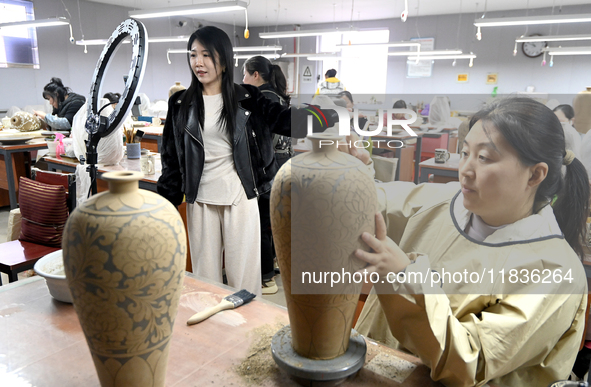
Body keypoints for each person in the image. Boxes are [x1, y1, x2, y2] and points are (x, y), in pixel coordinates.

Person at [348, 97, 589, 386]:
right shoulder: (444, 202)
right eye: (464, 153)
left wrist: (405, 277)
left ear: (535, 174)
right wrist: (354, 174)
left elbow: (468, 363)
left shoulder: (555, 272)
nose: (466, 169)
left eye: (484, 158)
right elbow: (379, 204)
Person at [157, 26, 337, 298]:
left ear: (224, 58)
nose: (199, 62)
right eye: (193, 55)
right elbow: (171, 157)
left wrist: (330, 118)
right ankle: (214, 334)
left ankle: (244, 336)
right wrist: (164, 203)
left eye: (207, 54)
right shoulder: (180, 104)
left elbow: (283, 119)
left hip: (240, 196)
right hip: (200, 200)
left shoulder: (248, 98)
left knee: (244, 279)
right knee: (206, 281)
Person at [242, 55, 293, 294]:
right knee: (275, 219)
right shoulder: (280, 96)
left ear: (255, 75)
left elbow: (264, 140)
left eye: (244, 74)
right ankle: (274, 262)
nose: (242, 80)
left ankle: (265, 277)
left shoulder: (261, 99)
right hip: (285, 167)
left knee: (261, 221)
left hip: (268, 167)